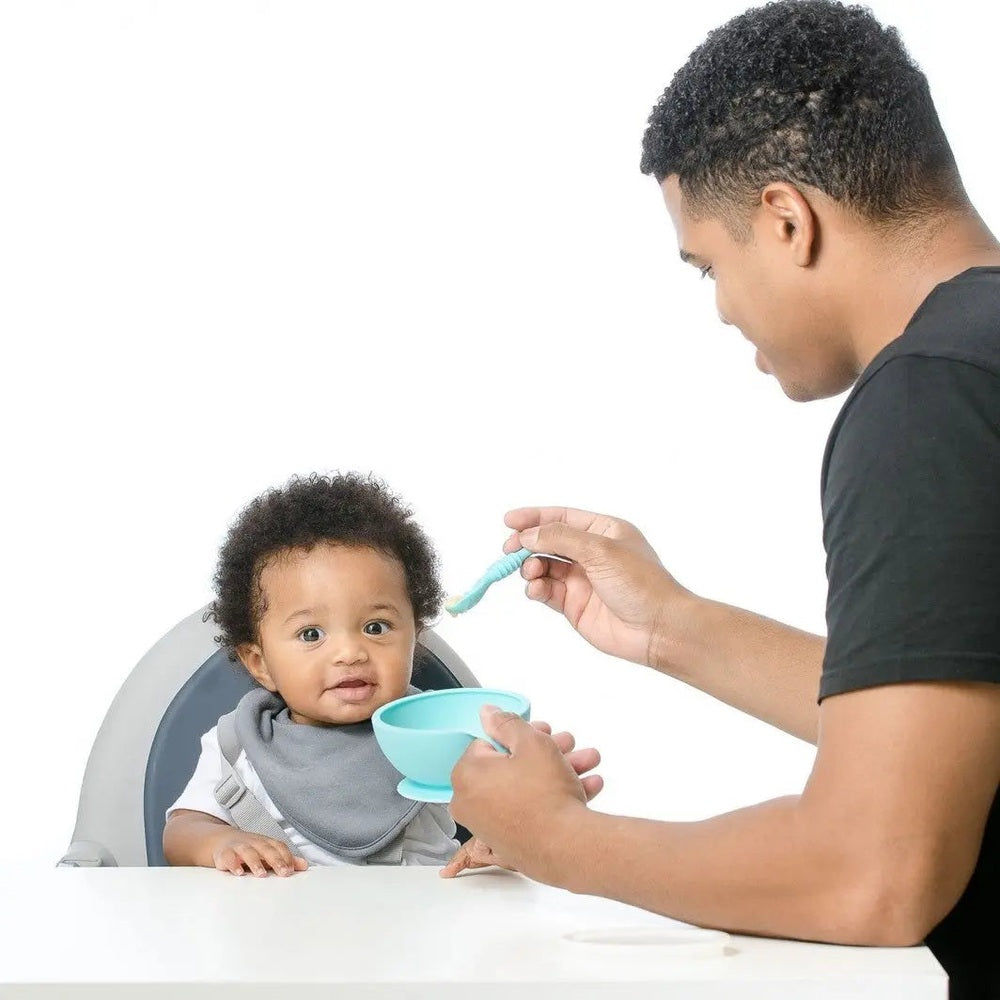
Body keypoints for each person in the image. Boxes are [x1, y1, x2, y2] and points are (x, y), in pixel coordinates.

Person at [445, 3, 1000, 998]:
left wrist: (557, 838)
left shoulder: (929, 394)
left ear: (786, 220)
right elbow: (946, 725)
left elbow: (871, 871)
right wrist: (673, 628)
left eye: (709, 265)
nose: (723, 309)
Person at [163, 472, 599, 875]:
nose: (351, 652)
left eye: (376, 627)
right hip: (289, 938)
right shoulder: (240, 743)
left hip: (425, 930)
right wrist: (223, 841)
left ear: (415, 637)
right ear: (259, 663)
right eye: (311, 633)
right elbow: (182, 829)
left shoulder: (449, 737)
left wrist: (505, 841)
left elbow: (512, 823)